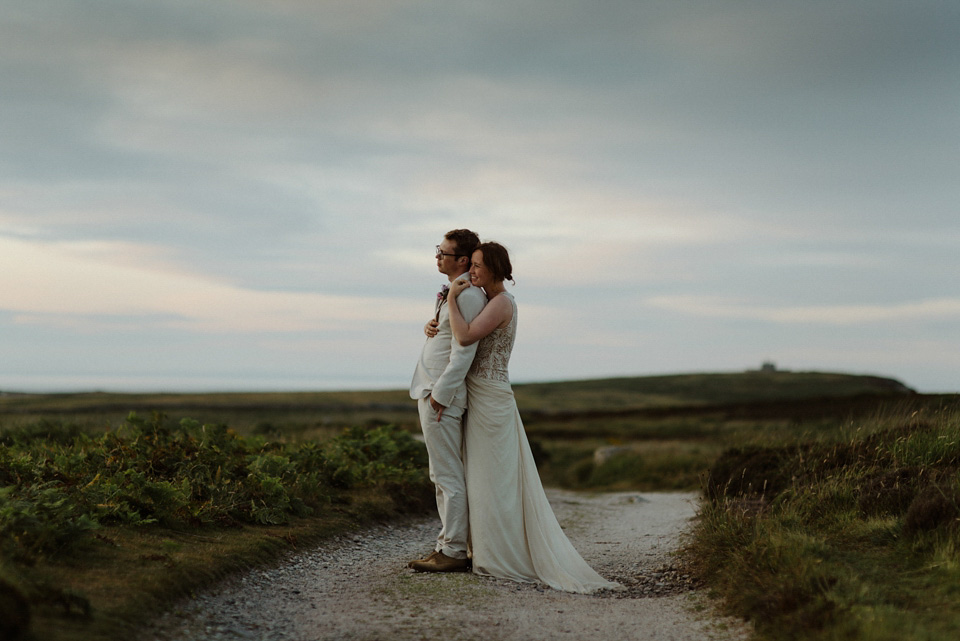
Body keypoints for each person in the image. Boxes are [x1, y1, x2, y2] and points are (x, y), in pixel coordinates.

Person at [446, 242, 619, 593]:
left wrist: (451, 298)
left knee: (494, 478)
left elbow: (464, 337)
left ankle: (502, 556)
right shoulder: (492, 301)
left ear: (494, 269)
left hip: (490, 399)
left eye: (478, 266)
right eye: (472, 264)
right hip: (483, 395)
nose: (472, 271)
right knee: (482, 476)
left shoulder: (501, 303)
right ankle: (486, 550)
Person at [408, 229, 487, 572]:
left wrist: (440, 393)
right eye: (437, 250)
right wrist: (434, 324)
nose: (437, 256)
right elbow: (450, 336)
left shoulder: (468, 295)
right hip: (434, 390)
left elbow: (463, 353)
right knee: (439, 473)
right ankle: (446, 544)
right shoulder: (455, 293)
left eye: (443, 252)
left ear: (463, 260)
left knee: (447, 474)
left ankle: (453, 551)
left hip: (441, 395)